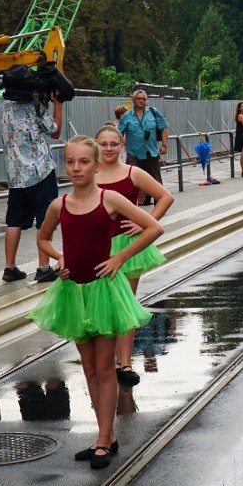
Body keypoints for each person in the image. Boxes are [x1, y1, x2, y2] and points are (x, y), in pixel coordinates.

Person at [26, 135, 163, 470]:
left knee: (104, 368)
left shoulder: (110, 198)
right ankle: (105, 434)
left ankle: (104, 437)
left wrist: (121, 258)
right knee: (88, 368)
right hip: (74, 292)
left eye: (83, 162)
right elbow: (42, 237)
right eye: (70, 162)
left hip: (104, 292)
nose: (76, 168)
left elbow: (153, 227)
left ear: (96, 165)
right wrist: (59, 258)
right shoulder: (59, 205)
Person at [95, 125, 173, 388]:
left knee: (126, 302)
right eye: (103, 144)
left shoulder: (132, 172)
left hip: (129, 246)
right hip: (98, 246)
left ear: (122, 146)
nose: (108, 148)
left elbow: (165, 197)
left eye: (113, 144)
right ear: (96, 146)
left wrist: (145, 222)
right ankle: (105, 359)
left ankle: (124, 362)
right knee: (103, 303)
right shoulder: (90, 174)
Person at [0, 90, 64, 281]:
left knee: (14, 220)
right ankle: (43, 267)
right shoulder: (35, 108)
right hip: (40, 171)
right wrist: (57, 105)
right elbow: (55, 131)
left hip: (15, 173)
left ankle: (9, 268)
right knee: (45, 219)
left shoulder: (2, 108)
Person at [117, 90, 169, 205]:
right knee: (131, 178)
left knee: (156, 180)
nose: (141, 101)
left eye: (143, 99)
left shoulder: (153, 112)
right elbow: (118, 133)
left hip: (151, 152)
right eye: (138, 98)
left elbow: (164, 128)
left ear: (146, 101)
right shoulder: (126, 117)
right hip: (133, 153)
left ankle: (159, 203)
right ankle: (130, 205)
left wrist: (164, 145)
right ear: (133, 100)